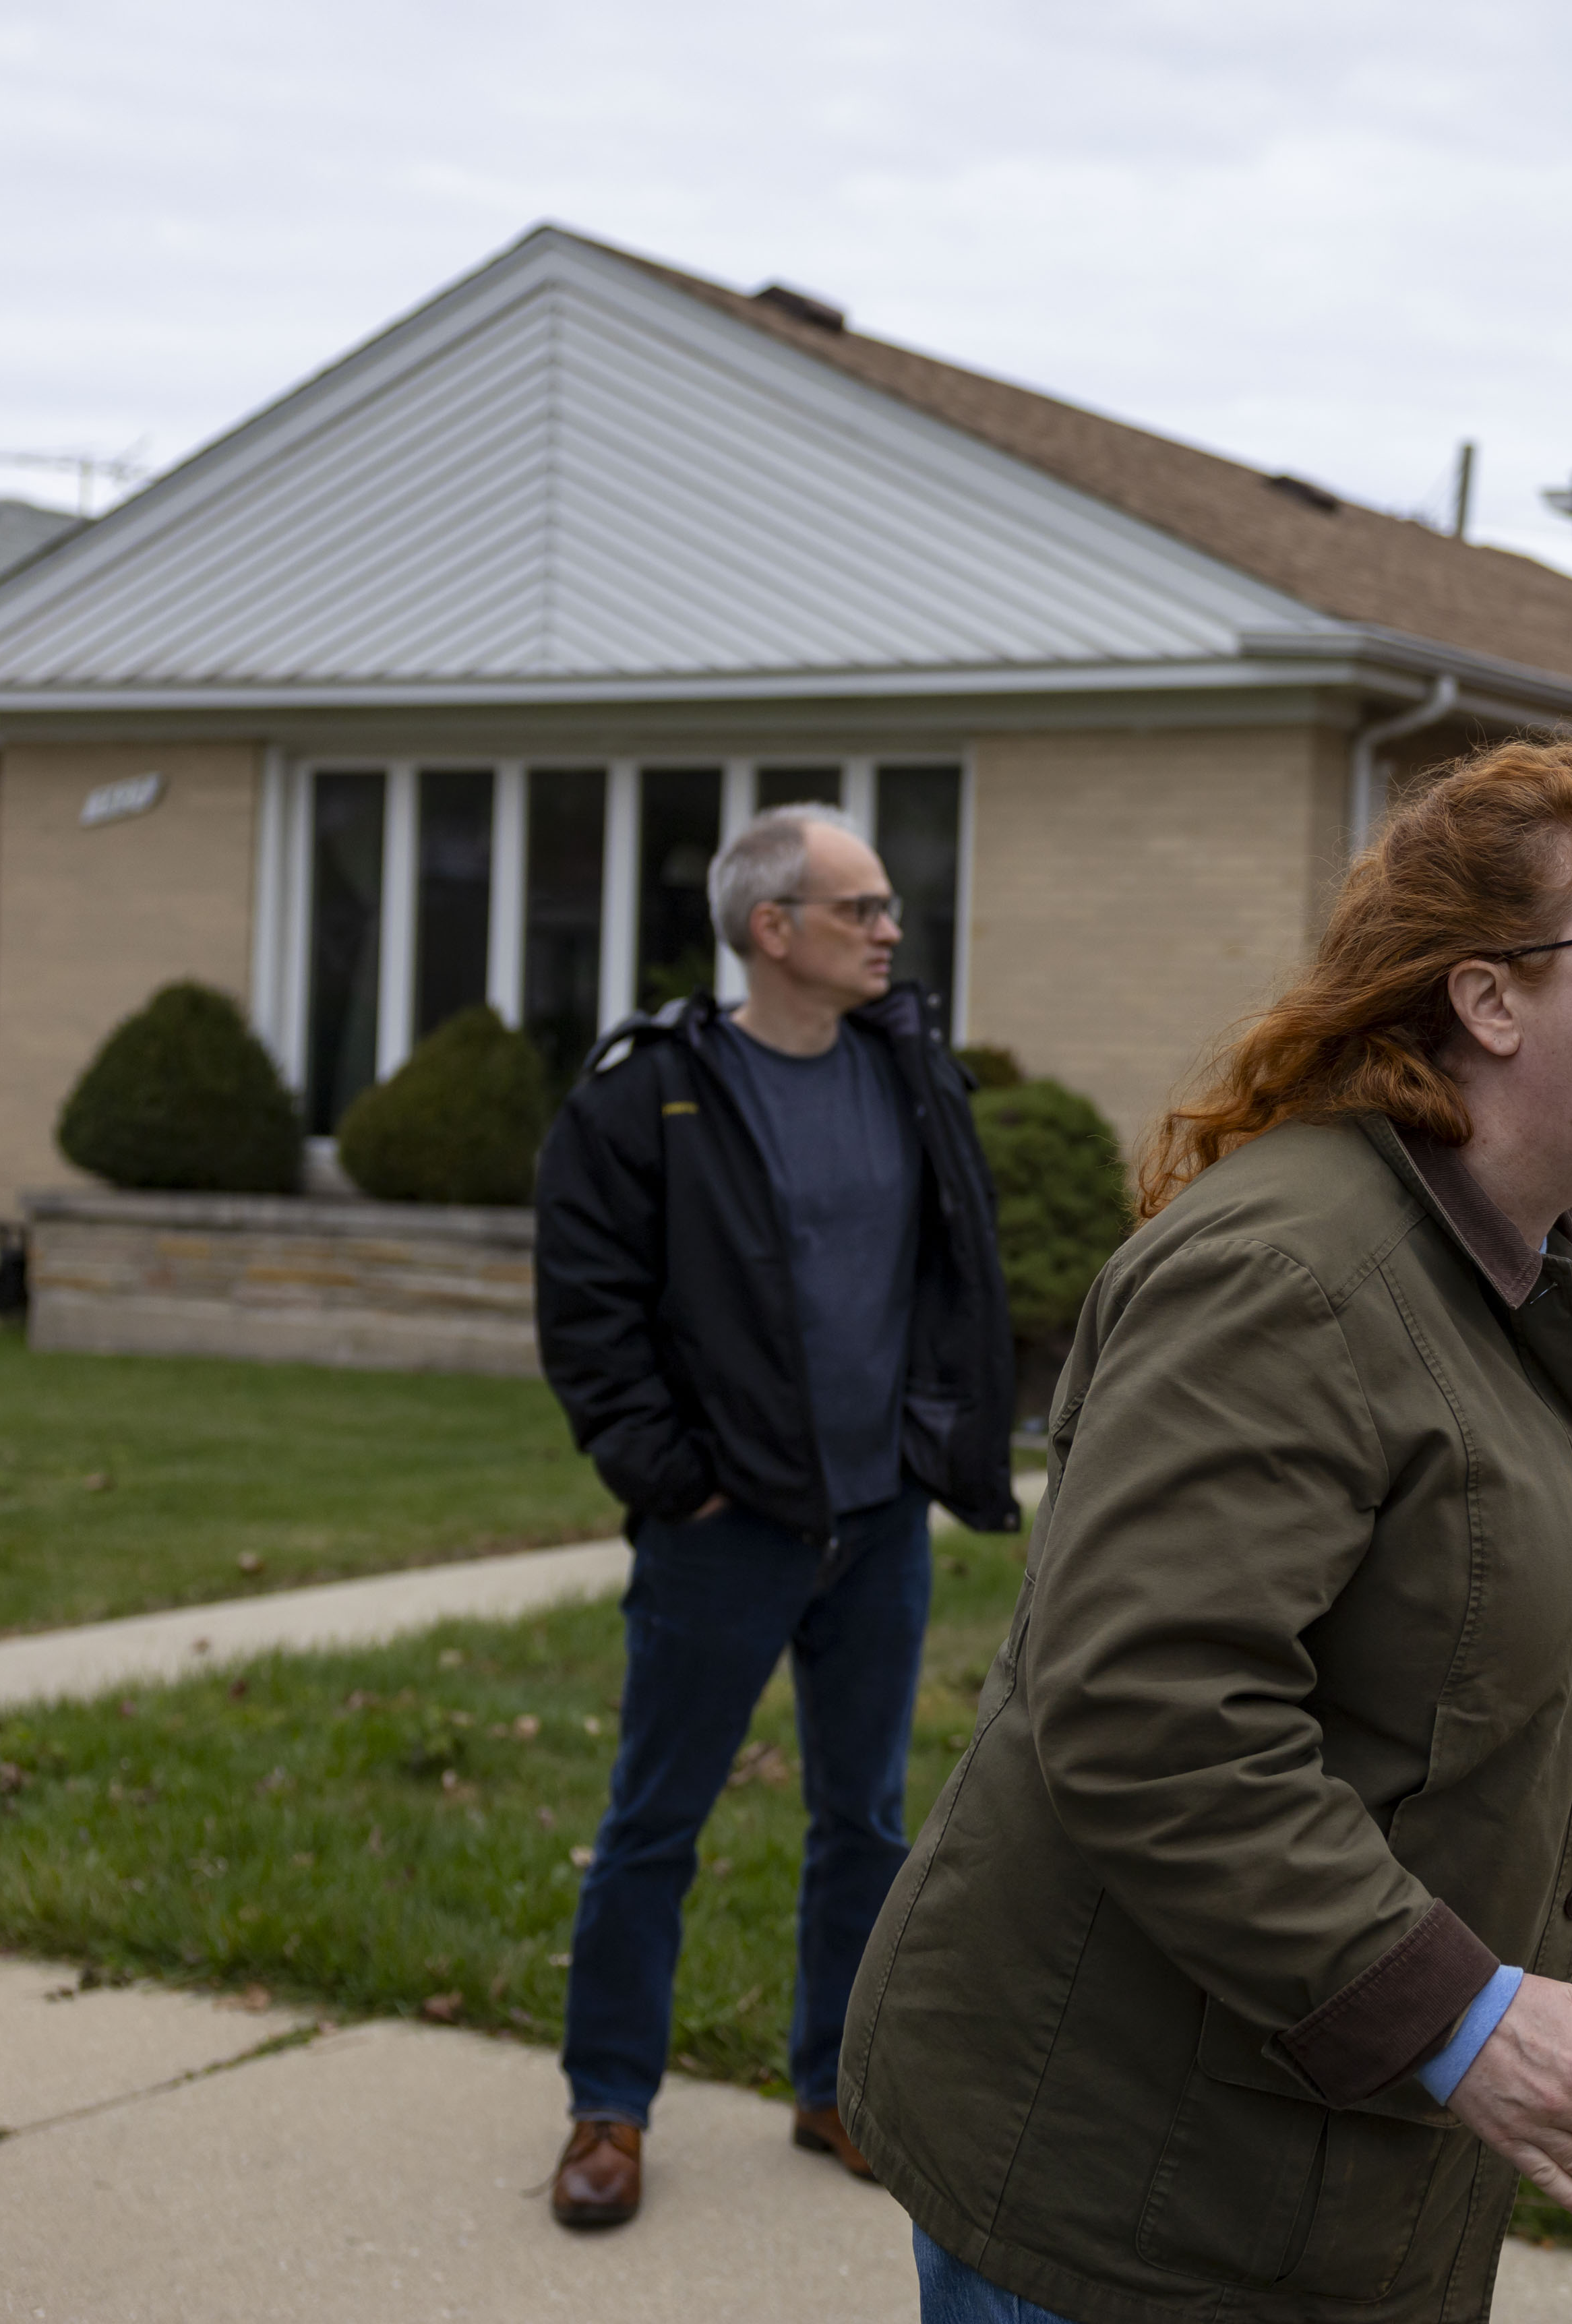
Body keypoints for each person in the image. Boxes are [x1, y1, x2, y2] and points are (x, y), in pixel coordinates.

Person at [837, 739, 1572, 2324]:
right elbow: (1151, 1716)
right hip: (1126, 2184)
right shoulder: (1289, 1274)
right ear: (1489, 1000)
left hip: (1333, 2181)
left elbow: (1537, 1663)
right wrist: (1456, 2010)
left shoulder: (1551, 1279)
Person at [531, 801, 1019, 2229]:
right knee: (653, 1822)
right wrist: (672, 1474)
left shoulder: (907, 1071)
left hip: (875, 1527)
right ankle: (607, 2105)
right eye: (862, 908)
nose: (890, 930)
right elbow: (588, 1310)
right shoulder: (649, 1093)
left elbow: (954, 1274)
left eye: (886, 909)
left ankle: (837, 2085)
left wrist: (940, 1435)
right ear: (772, 929)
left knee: (863, 1817)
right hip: (722, 1527)